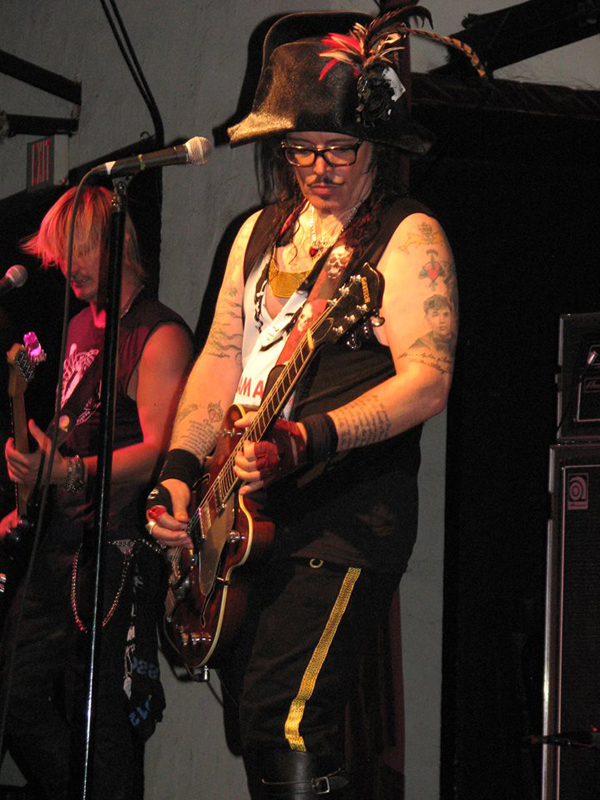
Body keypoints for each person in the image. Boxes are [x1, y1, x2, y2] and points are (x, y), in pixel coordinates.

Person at [146, 7, 476, 798]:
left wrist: (309, 439)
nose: (319, 167)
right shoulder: (258, 233)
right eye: (301, 149)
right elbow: (219, 359)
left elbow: (428, 379)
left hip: (345, 515)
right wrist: (182, 472)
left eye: (339, 149)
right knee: (258, 720)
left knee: (285, 716)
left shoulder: (406, 236)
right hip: (248, 517)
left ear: (376, 147)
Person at [0, 185, 193, 799]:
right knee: (15, 695)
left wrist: (66, 472)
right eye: (63, 253)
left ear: (119, 243)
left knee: (101, 715)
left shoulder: (160, 334)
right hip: (59, 541)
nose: (70, 265)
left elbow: (159, 452)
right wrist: (33, 478)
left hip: (116, 545)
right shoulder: (81, 326)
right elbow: (72, 430)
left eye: (81, 248)